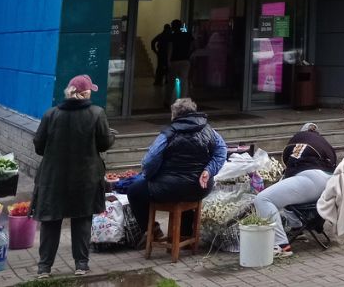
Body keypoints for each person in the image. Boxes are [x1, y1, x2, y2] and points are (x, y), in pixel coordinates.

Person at [31, 74, 115, 278]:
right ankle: (81, 265)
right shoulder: (96, 113)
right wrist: (111, 136)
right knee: (82, 219)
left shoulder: (51, 114)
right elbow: (104, 143)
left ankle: (44, 268)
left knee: (51, 220)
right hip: (85, 177)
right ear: (85, 93)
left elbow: (39, 146)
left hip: (53, 177)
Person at [127, 98, 227, 238]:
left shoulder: (168, 133)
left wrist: (148, 176)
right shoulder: (209, 131)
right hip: (200, 187)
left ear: (174, 114)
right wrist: (209, 170)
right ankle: (184, 234)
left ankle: (152, 231)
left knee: (134, 191)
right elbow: (222, 151)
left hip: (168, 188)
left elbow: (150, 162)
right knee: (184, 192)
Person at [253, 121, 338, 258]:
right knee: (285, 194)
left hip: (309, 178)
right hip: (329, 183)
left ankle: (281, 245)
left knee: (263, 199)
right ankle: (297, 227)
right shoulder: (323, 142)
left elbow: (288, 166)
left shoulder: (297, 141)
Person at [164, 20, 193, 106]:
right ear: (180, 26)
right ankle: (183, 102)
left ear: (173, 27)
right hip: (185, 61)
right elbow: (194, 45)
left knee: (171, 83)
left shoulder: (172, 36)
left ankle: (169, 101)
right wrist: (189, 54)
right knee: (184, 82)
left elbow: (170, 48)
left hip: (174, 61)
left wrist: (168, 61)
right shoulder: (187, 35)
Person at [151, 24, 172, 88]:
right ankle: (166, 80)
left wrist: (155, 50)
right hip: (167, 53)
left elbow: (153, 41)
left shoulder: (161, 35)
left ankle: (158, 81)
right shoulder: (170, 36)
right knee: (167, 67)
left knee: (160, 67)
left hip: (161, 53)